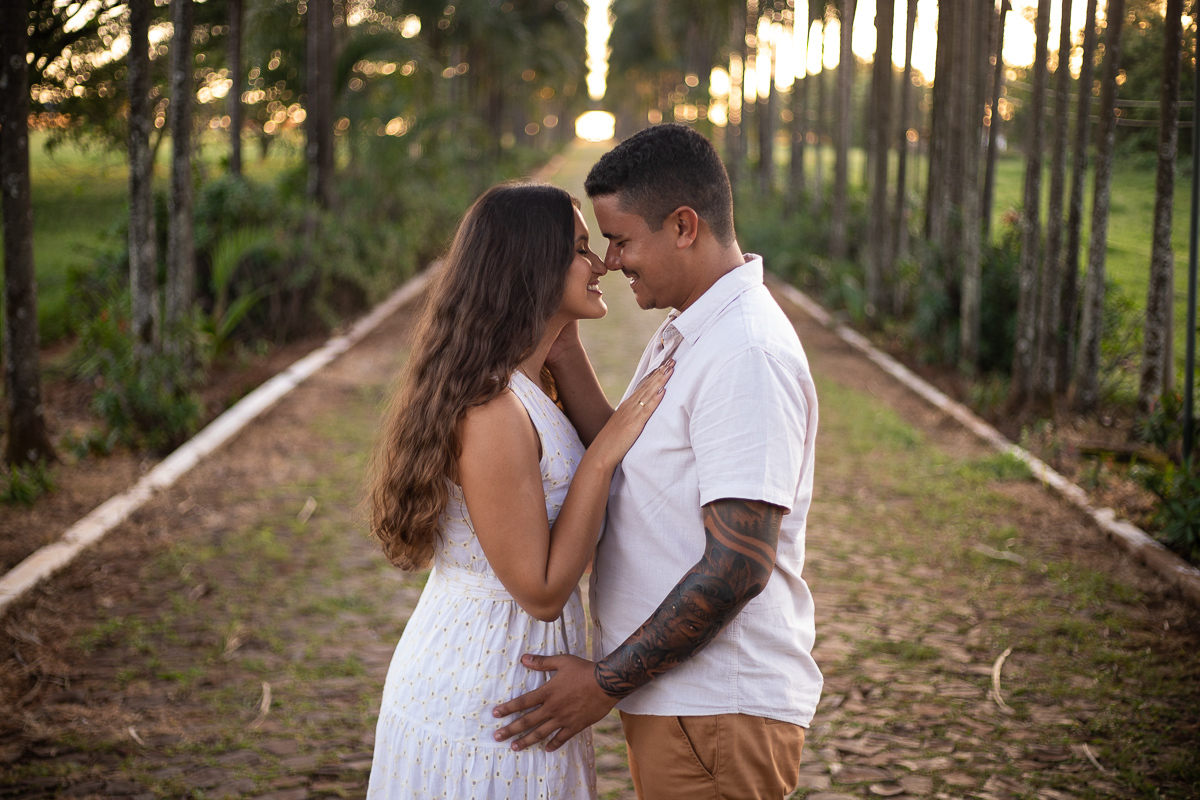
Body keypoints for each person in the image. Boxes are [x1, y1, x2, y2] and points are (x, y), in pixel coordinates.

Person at [493, 124, 823, 799]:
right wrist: (561, 345)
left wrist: (604, 682)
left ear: (683, 226)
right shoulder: (696, 328)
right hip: (686, 705)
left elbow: (738, 566)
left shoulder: (745, 354)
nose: (611, 261)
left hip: (716, 709)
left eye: (621, 240)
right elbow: (632, 461)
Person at [365, 182, 672, 799]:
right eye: (580, 249)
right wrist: (602, 455)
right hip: (487, 689)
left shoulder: (526, 383)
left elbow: (625, 477)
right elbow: (540, 590)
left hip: (514, 674)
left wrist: (566, 348)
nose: (601, 264)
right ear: (533, 267)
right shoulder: (494, 412)